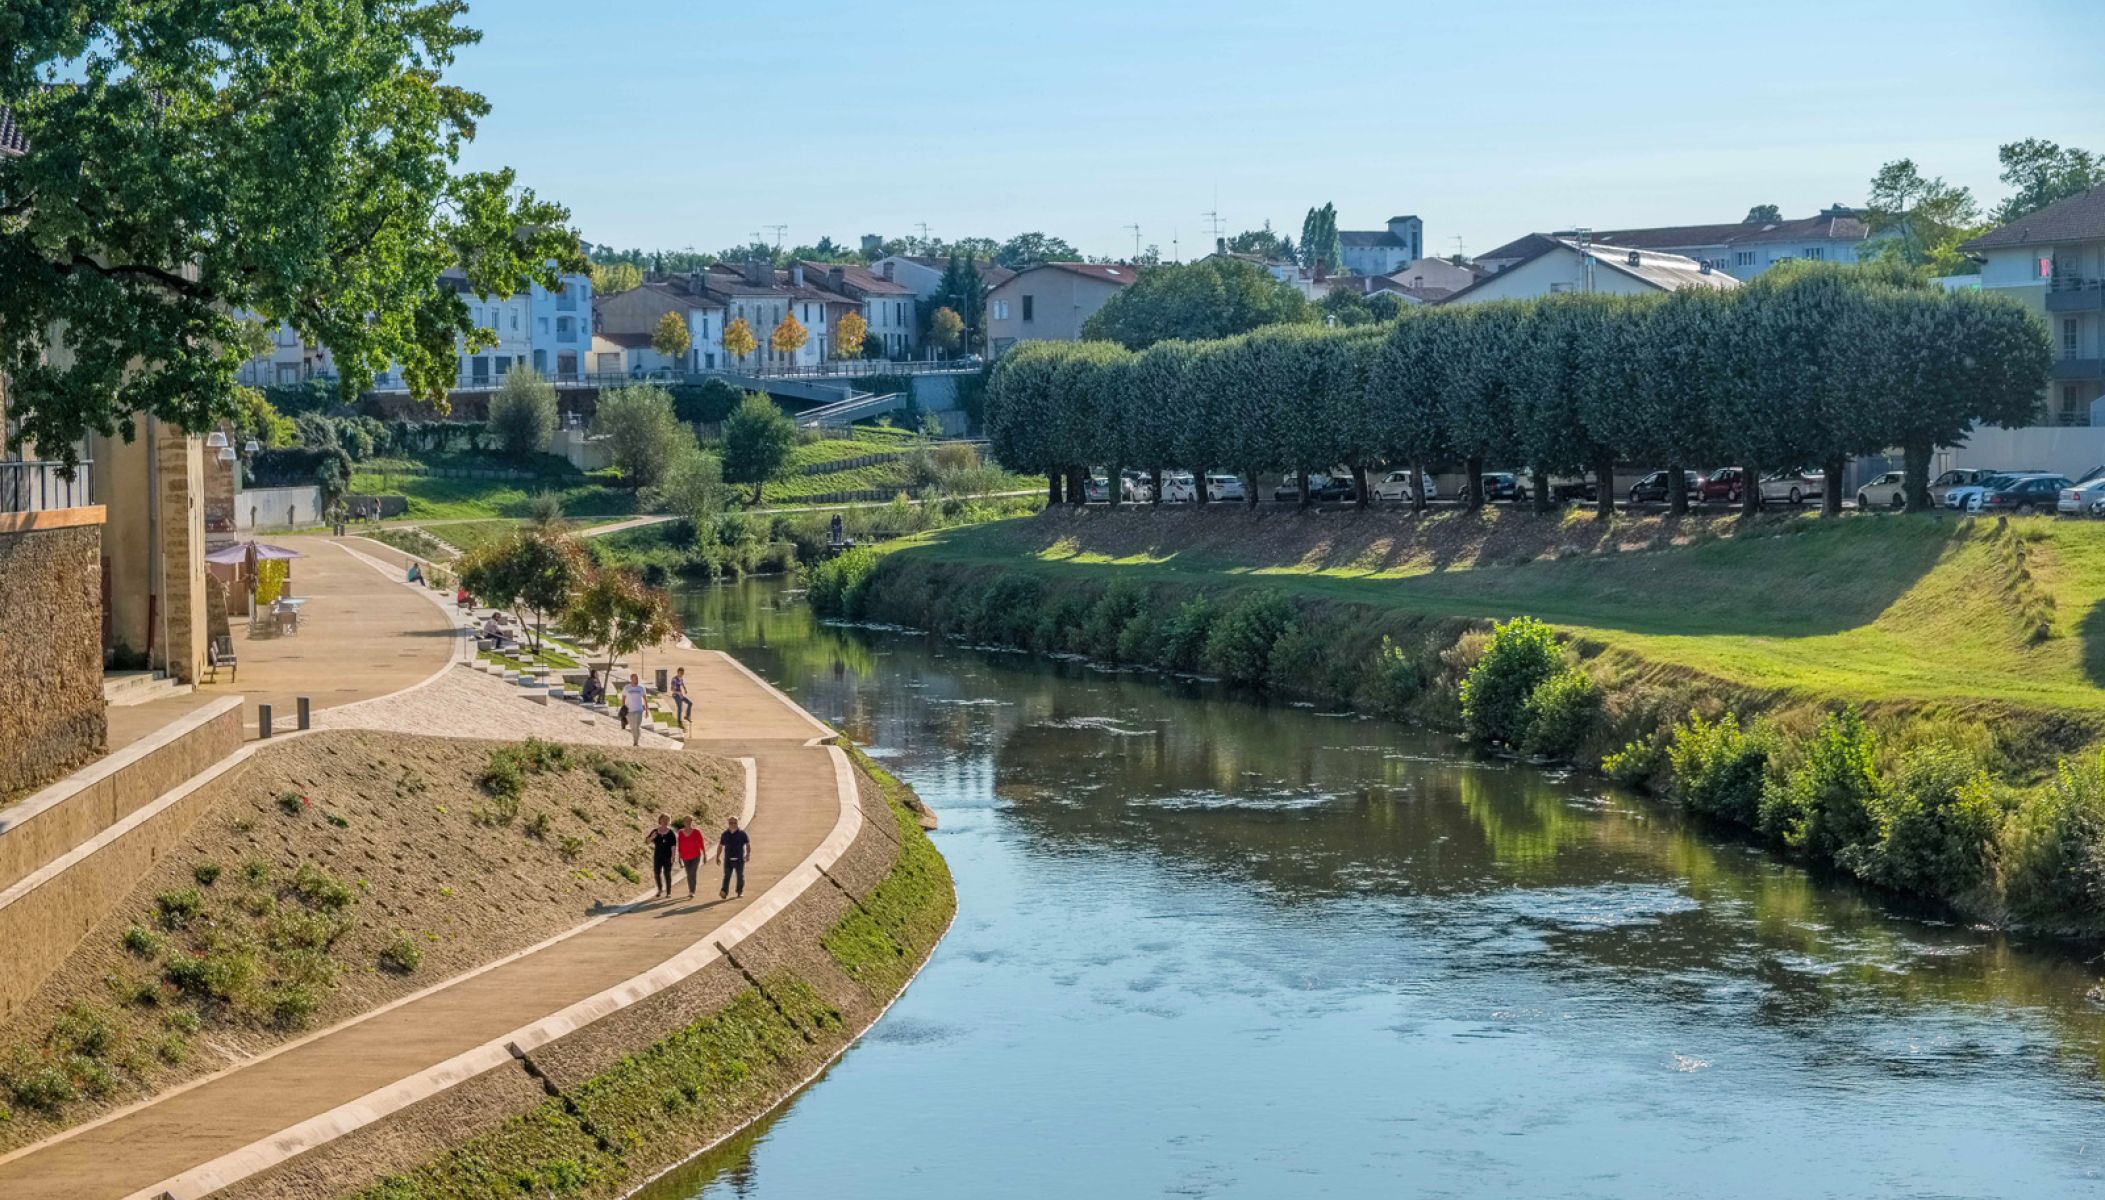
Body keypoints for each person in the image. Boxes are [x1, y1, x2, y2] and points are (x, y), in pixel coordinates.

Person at [716, 815, 751, 900]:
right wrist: (718, 856)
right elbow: (720, 845)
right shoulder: (725, 834)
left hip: (739, 859)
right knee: (727, 876)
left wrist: (747, 854)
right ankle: (724, 892)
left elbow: (747, 844)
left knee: (740, 876)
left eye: (734, 823)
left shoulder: (742, 833)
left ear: (737, 823)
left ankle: (740, 891)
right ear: (728, 823)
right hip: (728, 859)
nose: (732, 824)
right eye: (731, 823)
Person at [645, 814, 678, 899]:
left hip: (668, 856)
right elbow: (647, 842)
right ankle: (660, 889)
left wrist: (673, 857)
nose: (665, 821)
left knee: (667, 874)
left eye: (667, 819)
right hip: (658, 856)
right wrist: (652, 837)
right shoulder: (655, 831)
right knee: (656, 873)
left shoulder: (671, 833)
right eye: (664, 819)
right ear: (660, 820)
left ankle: (668, 892)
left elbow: (673, 846)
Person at [676, 818, 707, 898]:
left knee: (692, 873)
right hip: (685, 857)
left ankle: (692, 891)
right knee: (688, 873)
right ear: (683, 822)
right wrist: (679, 858)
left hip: (695, 856)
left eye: (690, 821)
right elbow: (679, 845)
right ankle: (691, 889)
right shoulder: (680, 832)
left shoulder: (696, 832)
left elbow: (701, 843)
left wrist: (704, 855)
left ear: (691, 822)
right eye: (686, 821)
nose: (688, 823)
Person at [621, 672, 648, 745]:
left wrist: (647, 711)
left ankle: (636, 742)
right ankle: (635, 739)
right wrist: (623, 709)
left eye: (637, 678)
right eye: (635, 678)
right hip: (629, 711)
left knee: (637, 726)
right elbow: (623, 698)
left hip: (639, 710)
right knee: (633, 727)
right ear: (631, 679)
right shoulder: (626, 688)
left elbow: (645, 699)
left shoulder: (641, 688)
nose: (637, 680)